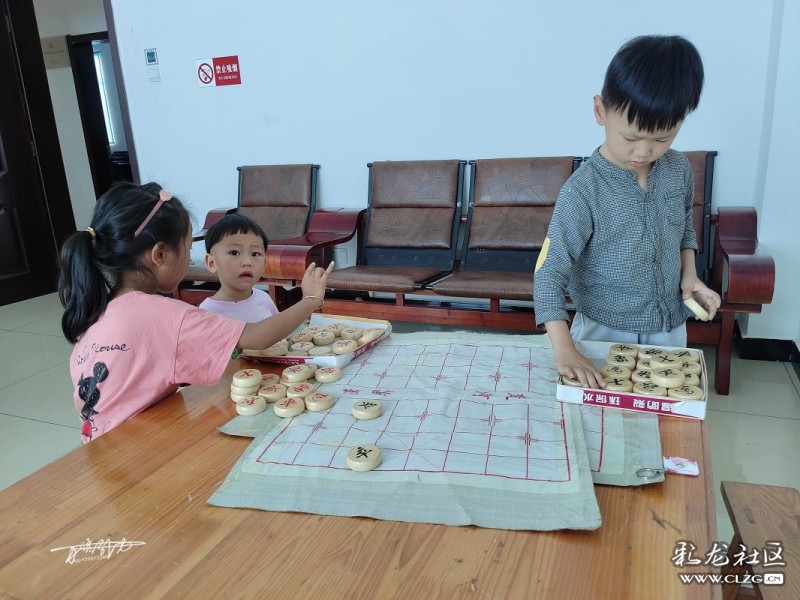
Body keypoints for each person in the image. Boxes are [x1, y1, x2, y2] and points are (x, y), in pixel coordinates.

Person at [58, 182, 332, 443]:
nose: (189, 259)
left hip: (98, 445)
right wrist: (310, 299)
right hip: (139, 451)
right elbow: (258, 337)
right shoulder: (166, 315)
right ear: (160, 254)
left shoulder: (97, 309)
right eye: (188, 249)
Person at [533, 35, 721, 389]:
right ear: (600, 111)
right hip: (602, 331)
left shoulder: (678, 170)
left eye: (663, 138)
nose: (645, 151)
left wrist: (690, 277)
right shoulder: (582, 190)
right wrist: (565, 349)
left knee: (661, 413)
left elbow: (683, 229)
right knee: (602, 415)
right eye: (631, 137)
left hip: (670, 329)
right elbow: (548, 273)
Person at [198, 214, 279, 322]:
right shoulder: (208, 312)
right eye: (234, 253)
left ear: (264, 263)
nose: (247, 262)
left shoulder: (264, 298)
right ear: (212, 263)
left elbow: (279, 330)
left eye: (255, 254)